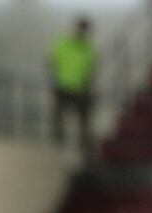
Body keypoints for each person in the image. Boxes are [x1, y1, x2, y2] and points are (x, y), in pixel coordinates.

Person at [49, 16, 97, 158]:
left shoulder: (89, 49)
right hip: (63, 87)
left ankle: (85, 150)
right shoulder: (63, 44)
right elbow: (53, 62)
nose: (82, 32)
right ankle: (57, 147)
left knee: (84, 122)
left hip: (80, 89)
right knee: (59, 119)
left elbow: (91, 70)